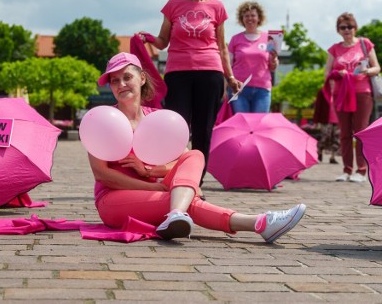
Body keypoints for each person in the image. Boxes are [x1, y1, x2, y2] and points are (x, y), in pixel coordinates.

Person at [89, 52, 306, 242]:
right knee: (184, 200)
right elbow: (102, 175)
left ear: (142, 78)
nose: (121, 84)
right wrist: (156, 187)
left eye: (127, 77)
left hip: (155, 193)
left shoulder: (157, 118)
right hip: (113, 200)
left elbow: (182, 160)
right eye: (115, 80)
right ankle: (257, 222)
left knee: (195, 155)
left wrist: (147, 171)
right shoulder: (103, 119)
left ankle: (182, 213)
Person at [138, 0, 239, 184]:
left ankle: (195, 181)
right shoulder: (174, 4)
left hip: (210, 73)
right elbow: (163, 42)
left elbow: (222, 46)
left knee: (203, 131)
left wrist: (230, 76)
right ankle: (174, 174)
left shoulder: (217, 7)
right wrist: (148, 39)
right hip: (178, 74)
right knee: (176, 127)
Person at [324, 12, 380, 183]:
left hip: (362, 93)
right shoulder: (335, 48)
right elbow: (326, 73)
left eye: (349, 26)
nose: (347, 30)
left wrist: (366, 71)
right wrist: (337, 73)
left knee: (361, 131)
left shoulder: (365, 44)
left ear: (355, 28)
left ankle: (361, 170)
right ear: (338, 30)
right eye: (343, 27)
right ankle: (347, 169)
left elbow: (377, 68)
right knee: (345, 133)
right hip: (341, 94)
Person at [227, 1, 278, 113]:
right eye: (246, 16)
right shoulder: (235, 39)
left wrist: (274, 59)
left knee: (258, 125)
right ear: (242, 19)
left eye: (253, 15)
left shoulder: (269, 38)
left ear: (259, 18)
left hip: (262, 89)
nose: (250, 18)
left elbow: (272, 67)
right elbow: (228, 64)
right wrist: (226, 85)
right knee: (241, 124)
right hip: (239, 89)